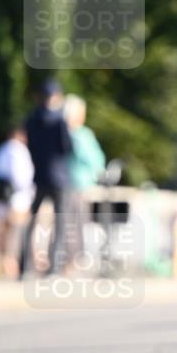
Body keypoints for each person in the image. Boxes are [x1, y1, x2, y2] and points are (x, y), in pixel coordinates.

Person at [19, 79, 73, 276]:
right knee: (59, 224)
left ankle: (24, 268)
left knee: (31, 223)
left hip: (38, 176)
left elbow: (30, 146)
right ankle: (53, 269)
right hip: (58, 179)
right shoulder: (59, 121)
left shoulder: (31, 119)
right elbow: (67, 148)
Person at [63, 94, 106, 268]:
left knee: (73, 225)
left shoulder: (77, 134)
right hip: (76, 185)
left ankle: (73, 259)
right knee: (74, 225)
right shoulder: (80, 135)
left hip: (75, 185)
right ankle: (73, 259)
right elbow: (96, 161)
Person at [0, 126, 35, 278]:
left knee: (4, 233)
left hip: (2, 197)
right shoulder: (18, 150)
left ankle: (5, 263)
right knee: (16, 234)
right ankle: (12, 264)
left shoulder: (2, 149)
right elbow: (22, 177)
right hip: (17, 197)